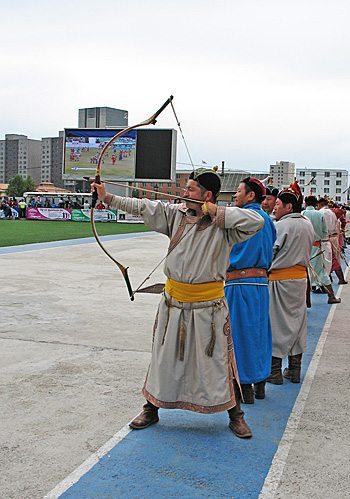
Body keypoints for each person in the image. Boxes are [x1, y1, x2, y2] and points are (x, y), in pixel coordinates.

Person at [91, 168, 265, 438]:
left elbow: (257, 221)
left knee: (219, 361)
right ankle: (151, 408)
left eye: (191, 189)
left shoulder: (226, 226)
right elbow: (143, 206)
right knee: (163, 358)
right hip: (173, 303)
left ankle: (236, 414)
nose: (185, 193)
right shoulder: (176, 215)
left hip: (209, 306)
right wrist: (108, 197)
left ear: (207, 195)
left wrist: (215, 212)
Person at [225, 178, 276, 403]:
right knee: (259, 332)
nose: (235, 196)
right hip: (261, 284)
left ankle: (244, 386)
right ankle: (260, 384)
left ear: (251, 196)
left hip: (239, 284)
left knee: (239, 335)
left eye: (238, 192)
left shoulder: (242, 218)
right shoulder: (267, 219)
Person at [267, 183, 314, 385]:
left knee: (276, 324)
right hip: (300, 279)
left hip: (280, 281)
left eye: (278, 204)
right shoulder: (307, 224)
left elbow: (270, 252)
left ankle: (274, 372)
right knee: (298, 322)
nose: (274, 207)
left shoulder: (281, 226)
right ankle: (295, 369)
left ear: (288, 207)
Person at [302, 196, 340, 304]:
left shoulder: (302, 214)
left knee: (305, 273)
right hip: (318, 246)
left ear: (305, 203)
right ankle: (331, 296)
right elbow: (324, 232)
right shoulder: (319, 214)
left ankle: (306, 300)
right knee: (321, 271)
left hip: (304, 247)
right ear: (315, 204)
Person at [318, 198, 347, 285]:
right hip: (334, 237)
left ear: (320, 204)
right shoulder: (332, 213)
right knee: (333, 259)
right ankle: (338, 278)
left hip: (326, 238)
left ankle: (328, 279)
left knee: (327, 260)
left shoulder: (321, 213)